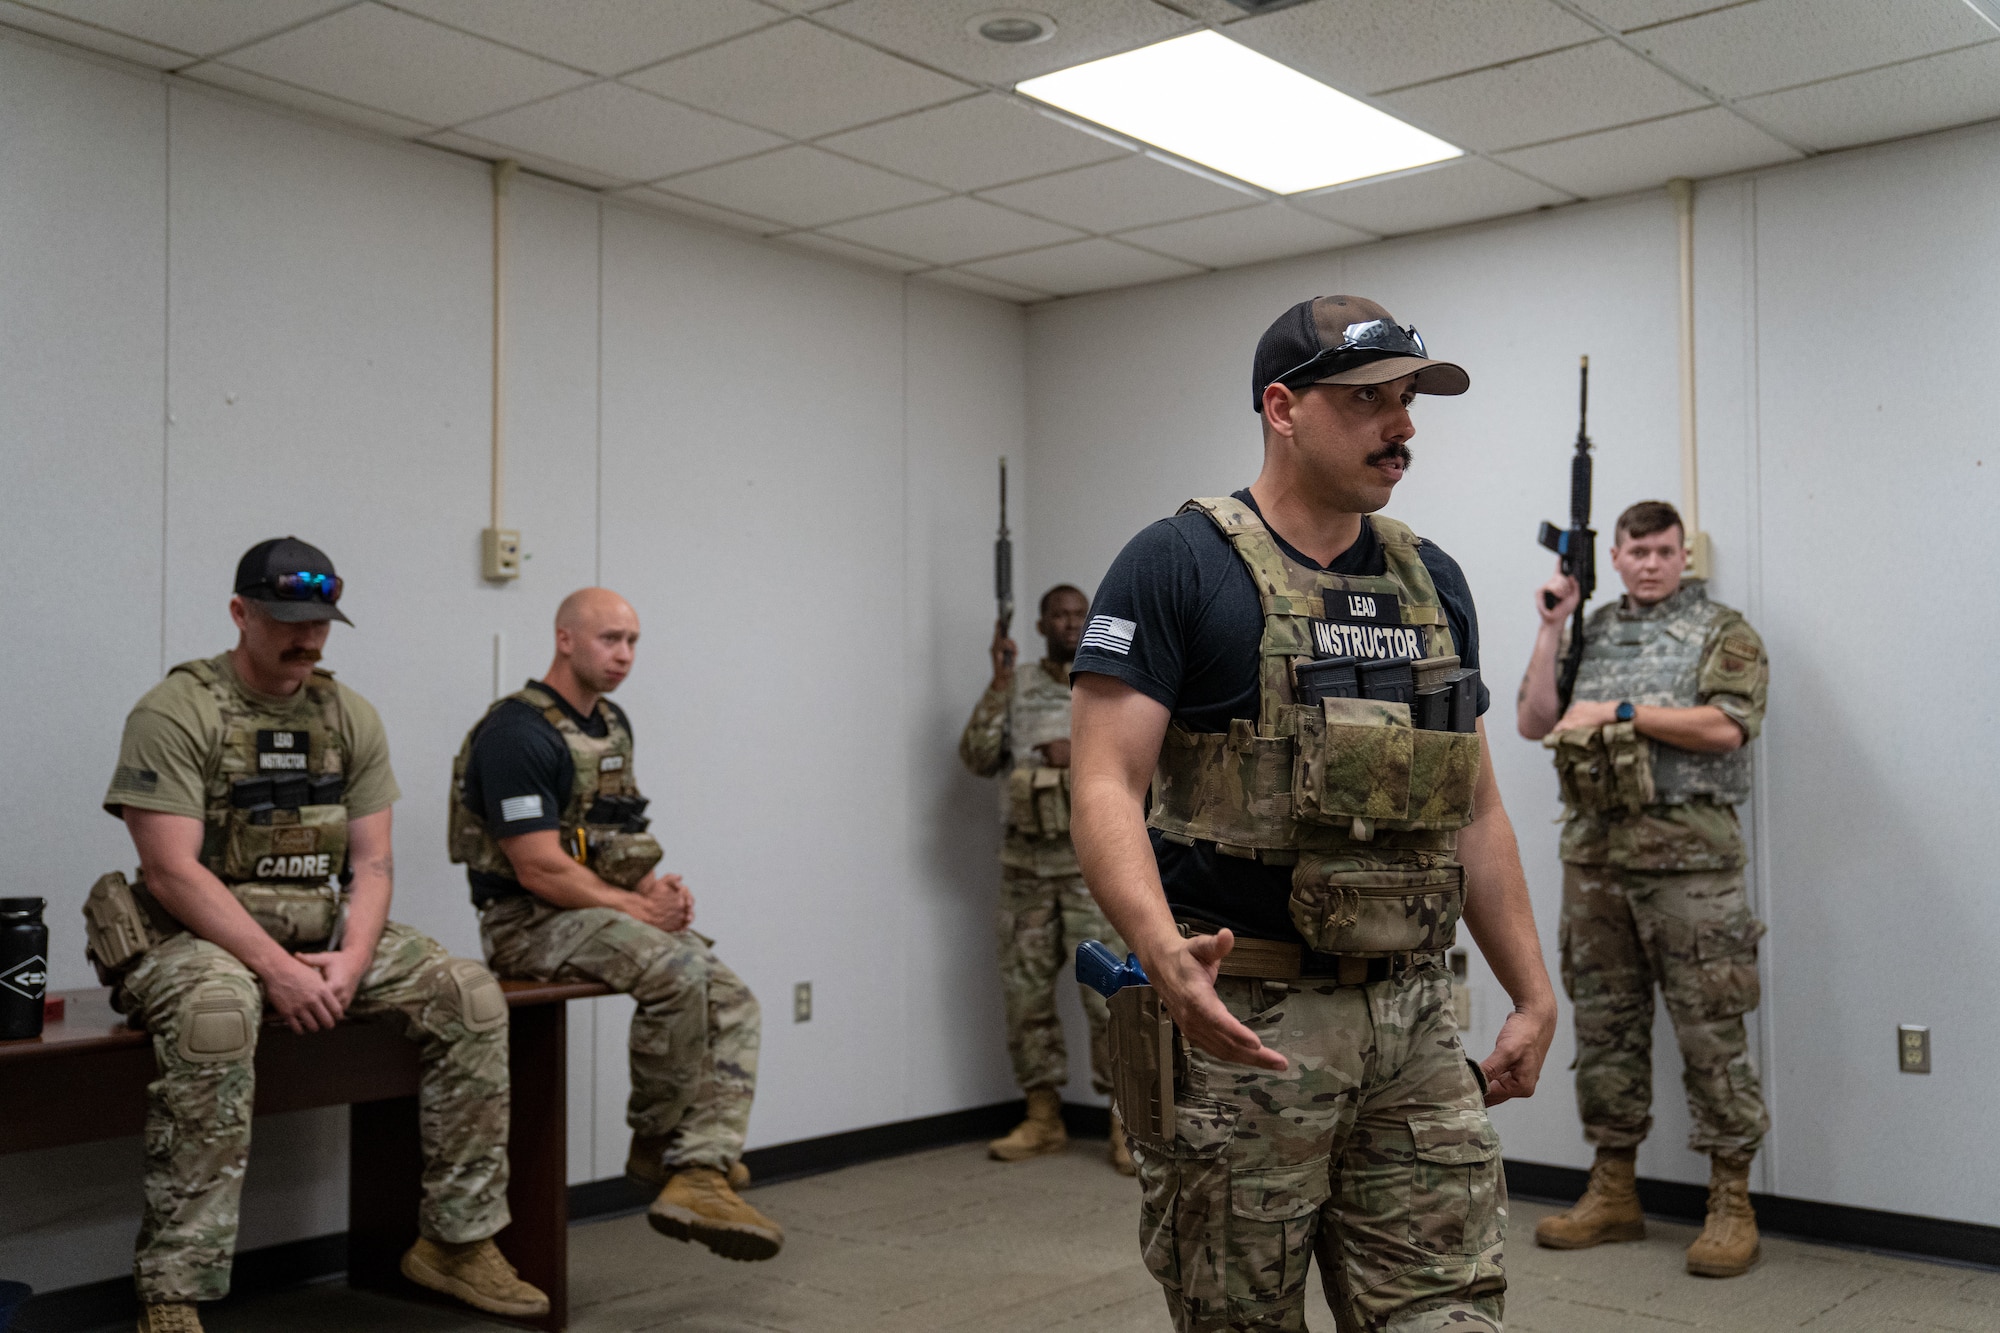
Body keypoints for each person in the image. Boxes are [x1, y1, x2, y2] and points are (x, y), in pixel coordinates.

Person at [1069, 295, 1557, 1332]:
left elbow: (1472, 808)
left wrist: (1530, 988)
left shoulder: (1435, 582)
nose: (1402, 427)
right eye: (1368, 400)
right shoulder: (1178, 563)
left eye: (1408, 401)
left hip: (1415, 1022)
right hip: (1245, 1021)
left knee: (1450, 1311)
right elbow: (1103, 784)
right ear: (1281, 407)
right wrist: (1159, 953)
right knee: (1236, 1313)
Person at [95, 538, 545, 1333]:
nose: (306, 638)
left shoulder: (346, 715)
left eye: (320, 623)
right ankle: (173, 1289)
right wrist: (279, 971)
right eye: (286, 620)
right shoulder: (177, 710)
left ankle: (456, 1239)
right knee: (218, 1013)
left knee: (469, 993)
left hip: (319, 930)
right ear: (240, 613)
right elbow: (170, 871)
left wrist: (351, 962)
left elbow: (372, 864)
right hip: (193, 938)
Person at [449, 588, 780, 1262]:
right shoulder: (518, 732)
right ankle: (658, 1140)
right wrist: (643, 912)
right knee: (678, 968)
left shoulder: (611, 723)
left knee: (735, 999)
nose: (624, 654)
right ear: (565, 638)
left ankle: (700, 1168)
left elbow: (616, 832)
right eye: (609, 639)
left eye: (632, 640)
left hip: (599, 912)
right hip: (525, 921)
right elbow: (540, 868)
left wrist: (658, 890)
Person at [1516, 500, 1770, 1278]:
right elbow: (1534, 721)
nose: (1653, 562)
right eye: (1639, 551)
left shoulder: (1722, 629)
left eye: (1666, 550)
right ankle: (1614, 1189)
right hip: (1596, 861)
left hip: (1692, 864)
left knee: (1710, 1032)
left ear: (1683, 555)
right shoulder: (1587, 629)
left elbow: (1729, 725)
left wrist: (1623, 709)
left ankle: (1731, 1198)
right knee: (1605, 1028)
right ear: (1616, 557)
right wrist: (1553, 625)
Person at [959, 585, 1134, 1173]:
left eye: (1076, 614)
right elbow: (977, 757)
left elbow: (1145, 763)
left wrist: (1076, 755)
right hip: (1025, 872)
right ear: (1039, 624)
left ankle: (1124, 1123)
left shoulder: (1107, 683)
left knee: (1110, 999)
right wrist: (997, 683)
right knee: (1025, 998)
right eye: (1057, 615)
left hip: (1091, 869)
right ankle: (1042, 1117)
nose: (1067, 623)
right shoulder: (1020, 686)